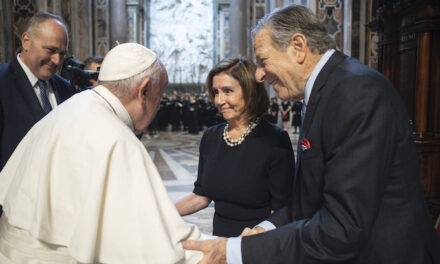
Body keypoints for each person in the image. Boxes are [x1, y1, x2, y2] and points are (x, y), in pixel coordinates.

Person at [182, 4, 440, 264]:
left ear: (298, 47)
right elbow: (307, 198)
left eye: (263, 60)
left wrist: (235, 252)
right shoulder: (324, 92)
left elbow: (342, 228)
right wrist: (263, 231)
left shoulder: (355, 92)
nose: (259, 74)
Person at [0, 43, 202, 263]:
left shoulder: (70, 107)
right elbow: (154, 245)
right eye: (159, 93)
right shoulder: (117, 140)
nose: (160, 103)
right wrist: (220, 249)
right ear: (143, 91)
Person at [175, 58, 295, 237]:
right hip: (219, 240)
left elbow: (283, 209)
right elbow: (201, 196)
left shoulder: (275, 140)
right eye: (216, 92)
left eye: (227, 91)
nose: (219, 100)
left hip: (258, 242)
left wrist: (256, 234)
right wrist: (160, 213)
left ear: (250, 91)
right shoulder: (211, 137)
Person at [0, 12, 76, 170]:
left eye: (62, 54)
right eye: (50, 50)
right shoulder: (3, 82)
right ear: (26, 41)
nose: (56, 60)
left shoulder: (66, 89)